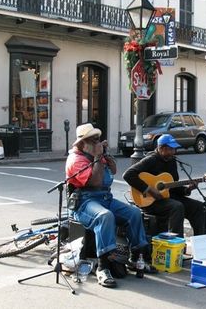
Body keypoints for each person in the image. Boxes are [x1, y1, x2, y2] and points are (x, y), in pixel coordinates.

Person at [65, 123, 155, 288]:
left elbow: (113, 170)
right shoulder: (76, 159)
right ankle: (103, 267)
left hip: (105, 198)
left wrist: (105, 154)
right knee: (105, 216)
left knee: (134, 213)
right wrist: (98, 157)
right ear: (83, 143)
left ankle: (137, 258)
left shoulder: (96, 154)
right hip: (84, 203)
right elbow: (96, 181)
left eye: (98, 139)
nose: (98, 143)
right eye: (94, 140)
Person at [122, 134, 206, 241]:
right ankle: (176, 247)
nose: (173, 152)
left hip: (167, 198)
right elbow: (128, 174)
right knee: (177, 206)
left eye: (174, 149)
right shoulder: (151, 160)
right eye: (170, 149)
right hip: (150, 201)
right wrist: (149, 189)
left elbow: (172, 186)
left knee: (198, 207)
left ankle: (204, 247)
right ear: (161, 148)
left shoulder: (172, 161)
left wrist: (187, 189)